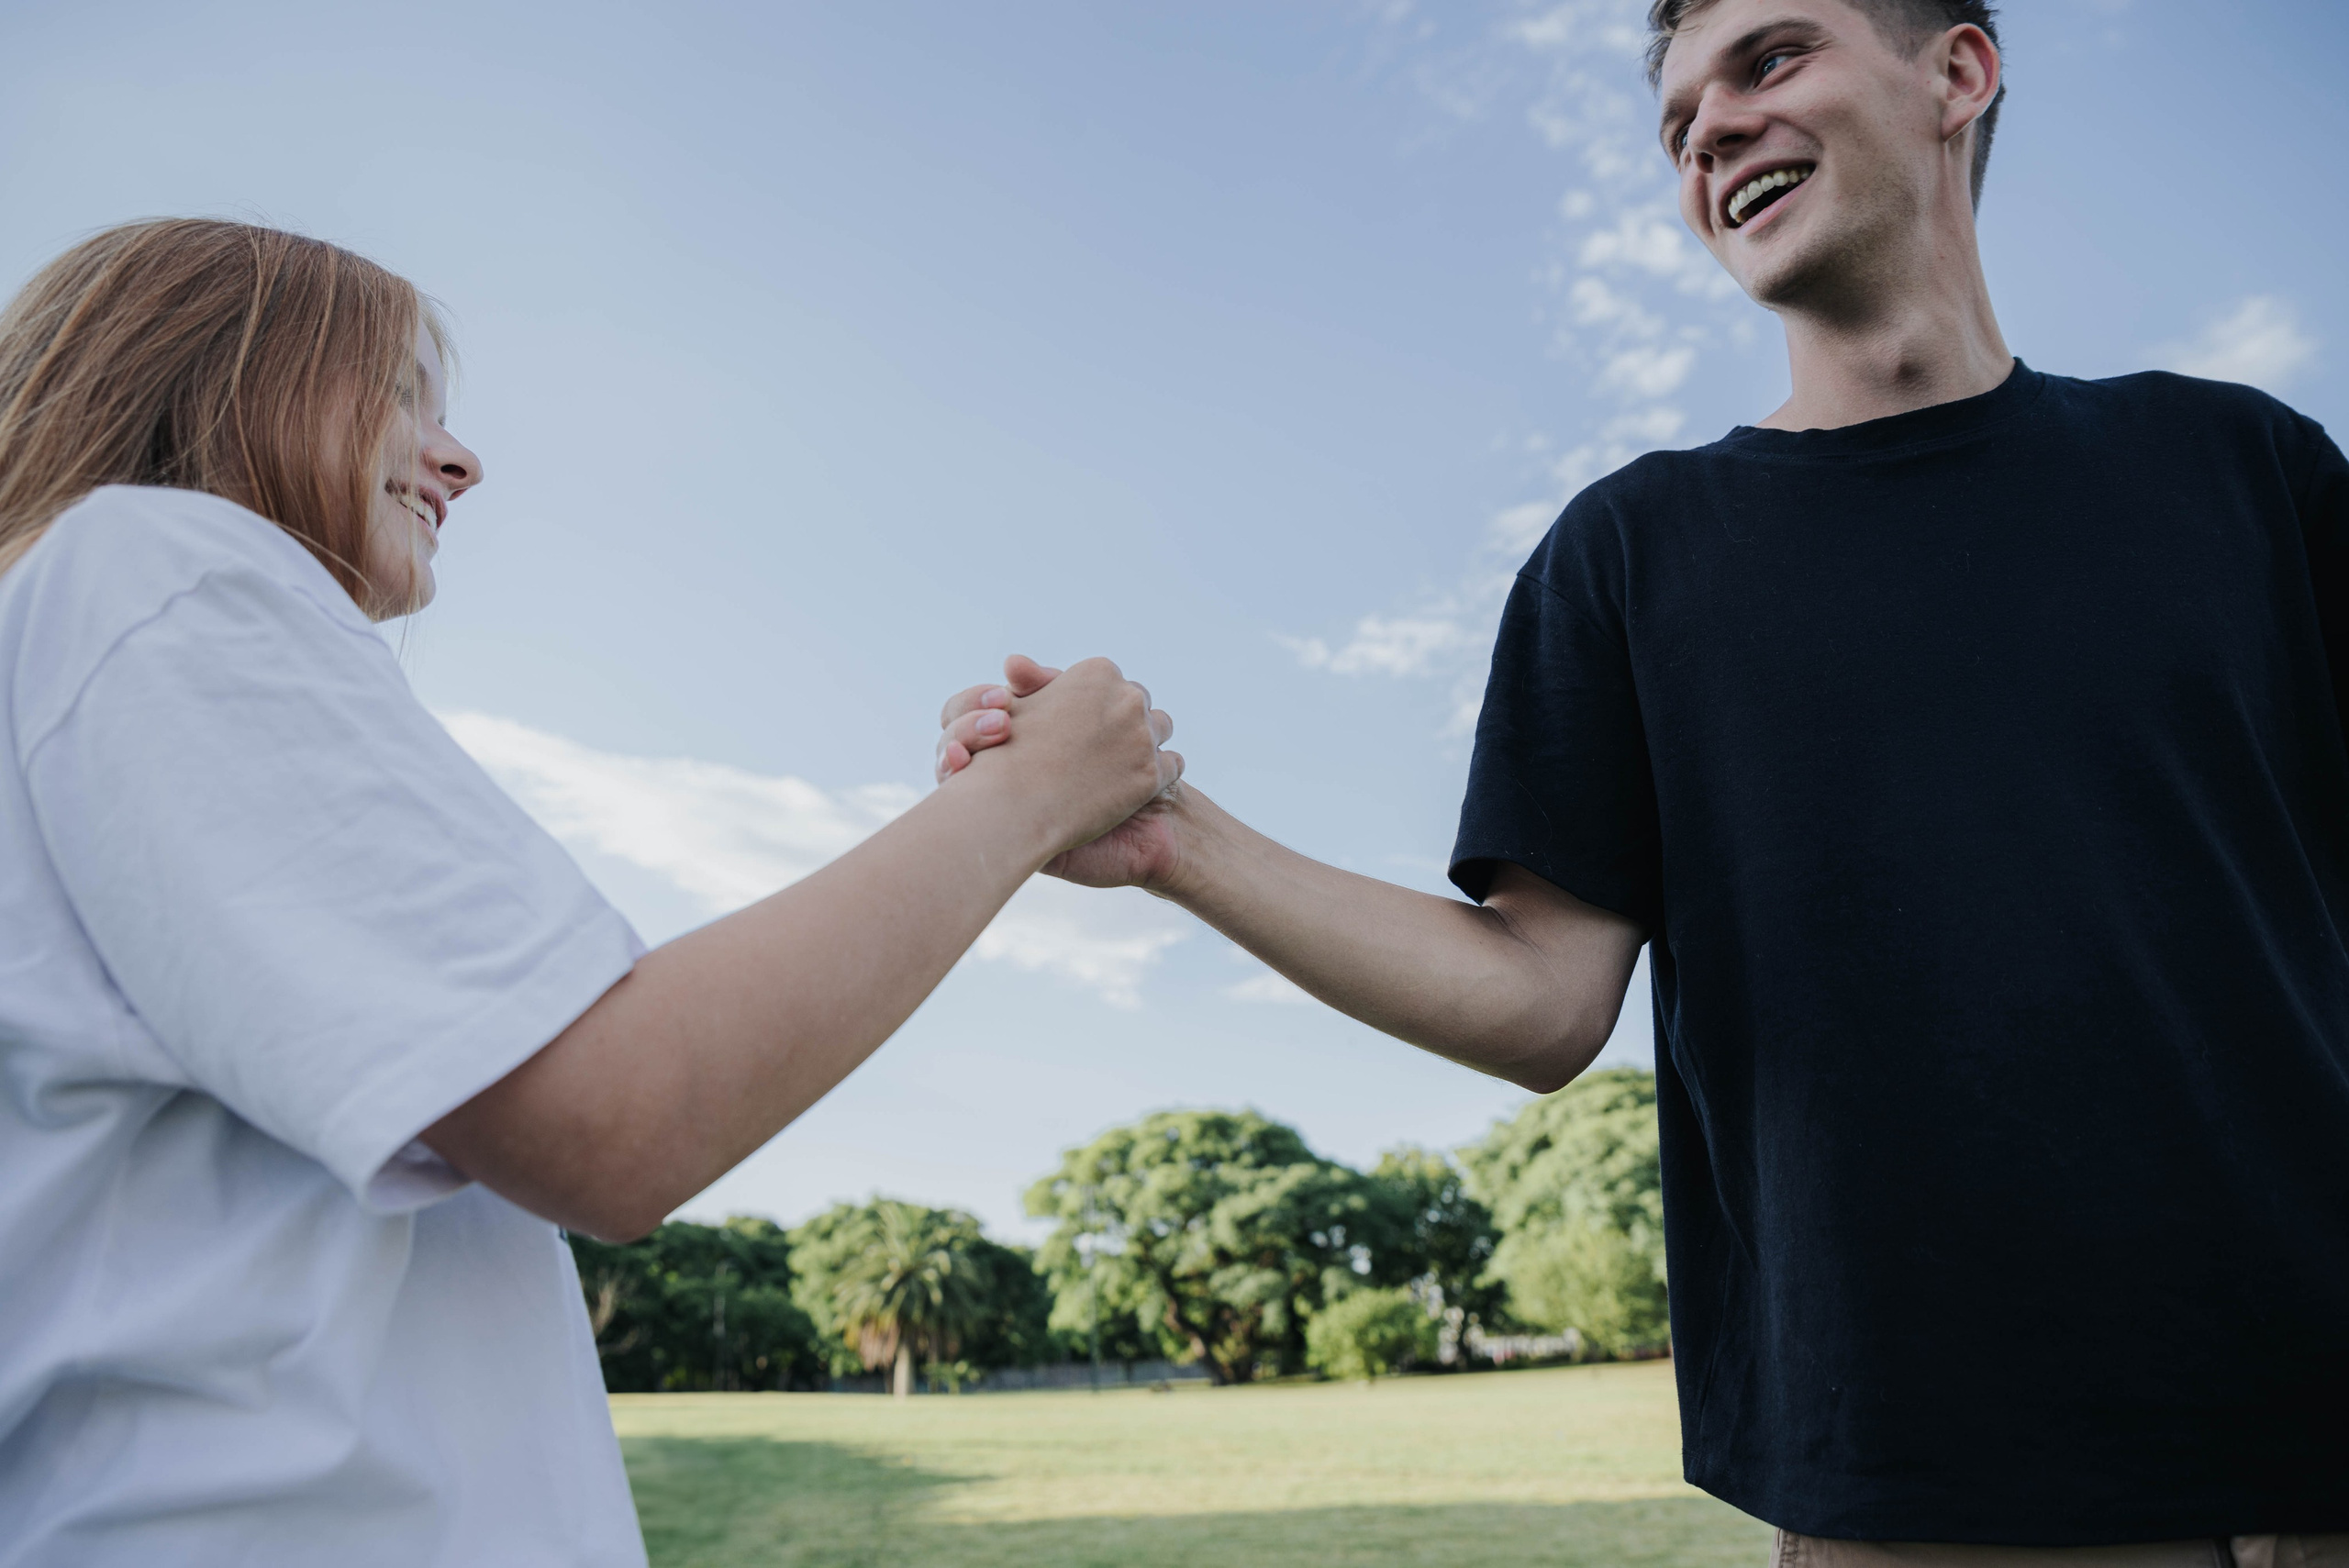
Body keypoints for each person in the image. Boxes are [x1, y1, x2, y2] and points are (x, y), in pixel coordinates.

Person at [944, 0, 2349, 1560]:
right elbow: (1543, 1000)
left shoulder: (2245, 473)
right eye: (1679, 118)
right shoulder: (1632, 557)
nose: (1711, 130)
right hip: (1934, 1488)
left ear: (1958, 72)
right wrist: (1170, 837)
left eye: (1772, 59)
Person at [0, 217, 1179, 1565]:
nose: (460, 458)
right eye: (399, 393)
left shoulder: (77, 624)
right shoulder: (158, 568)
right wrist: (1026, 800)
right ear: (216, 369)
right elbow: (613, 1115)